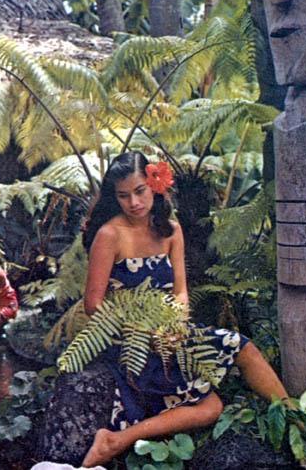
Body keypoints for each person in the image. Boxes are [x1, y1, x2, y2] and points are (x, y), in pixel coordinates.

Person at [79, 151, 289, 468]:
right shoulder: (109, 235)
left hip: (171, 333)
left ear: (155, 185)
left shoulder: (172, 230)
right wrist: (139, 330)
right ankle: (116, 440)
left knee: (243, 348)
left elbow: (180, 291)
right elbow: (93, 304)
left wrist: (175, 326)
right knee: (212, 408)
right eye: (123, 196)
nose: (134, 202)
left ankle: (294, 417)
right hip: (130, 341)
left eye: (140, 191)